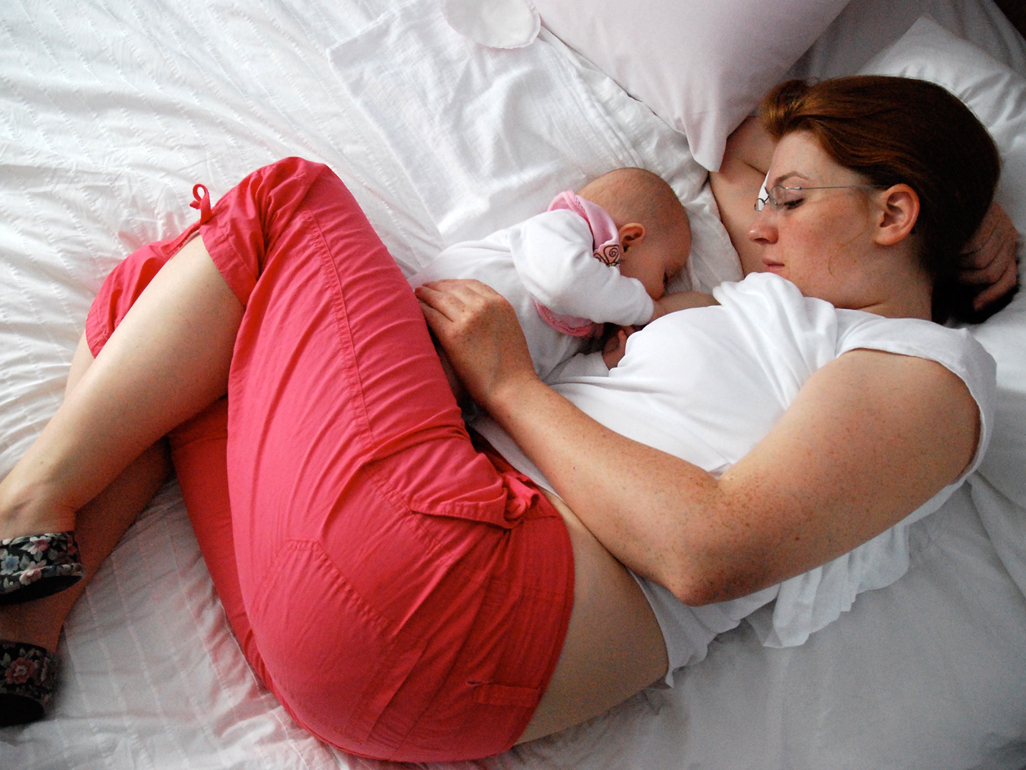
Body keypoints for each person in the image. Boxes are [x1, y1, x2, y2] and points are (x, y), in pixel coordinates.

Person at [0, 75, 1011, 762]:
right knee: (170, 293)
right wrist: (969, 204)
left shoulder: (930, 369)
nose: (756, 220)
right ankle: (33, 612)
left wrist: (511, 385)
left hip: (465, 593)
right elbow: (745, 137)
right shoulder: (777, 305)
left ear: (893, 215)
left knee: (285, 205)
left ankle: (24, 501)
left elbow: (712, 547)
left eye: (792, 200)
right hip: (359, 654)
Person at [410, 167, 697, 382]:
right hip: (416, 326)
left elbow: (548, 380)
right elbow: (564, 284)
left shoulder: (587, 325)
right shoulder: (564, 229)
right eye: (665, 276)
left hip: (447, 387)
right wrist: (647, 309)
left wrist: (601, 363)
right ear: (629, 241)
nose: (662, 292)